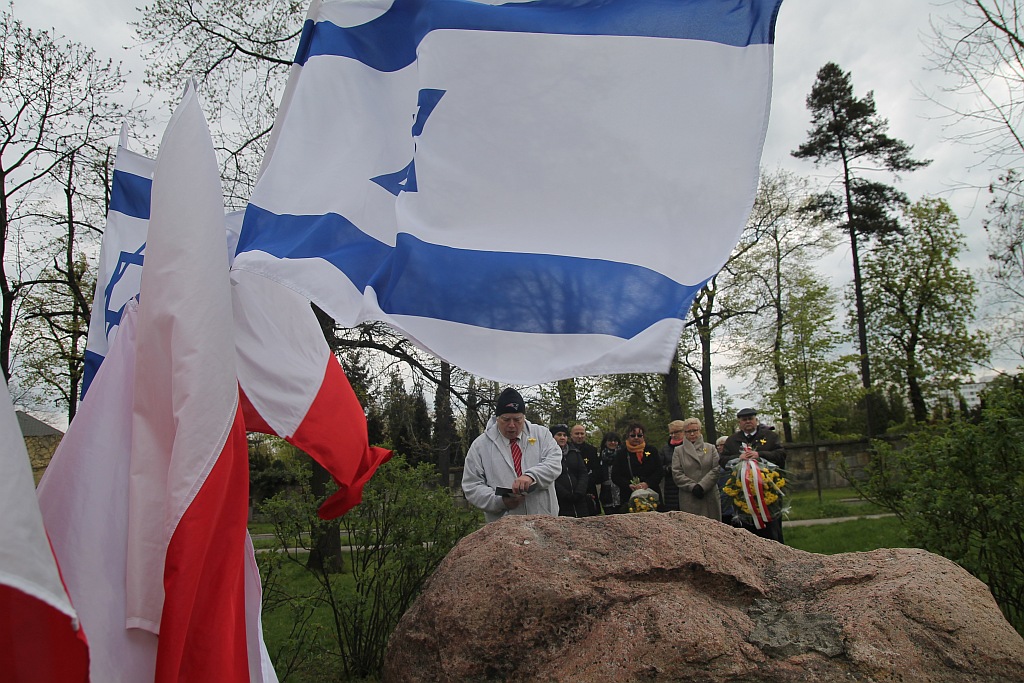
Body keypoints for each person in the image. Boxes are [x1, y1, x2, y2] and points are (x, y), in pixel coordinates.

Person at [462, 388, 562, 523]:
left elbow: (554, 463)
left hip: (544, 520)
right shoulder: (480, 446)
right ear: (497, 418)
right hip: (504, 525)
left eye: (517, 420)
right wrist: (500, 501)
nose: (512, 425)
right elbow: (472, 486)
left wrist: (531, 476)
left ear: (524, 417)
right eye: (506, 419)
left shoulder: (542, 435)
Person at [721, 408, 786, 542]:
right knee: (746, 532)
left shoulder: (770, 437)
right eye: (744, 420)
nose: (748, 422)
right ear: (739, 423)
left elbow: (781, 455)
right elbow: (722, 460)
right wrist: (738, 458)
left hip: (768, 492)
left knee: (772, 530)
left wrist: (759, 455)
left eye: (750, 419)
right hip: (743, 495)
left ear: (756, 420)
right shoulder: (732, 440)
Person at [672, 418, 721, 521]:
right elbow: (677, 473)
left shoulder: (711, 448)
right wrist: (693, 487)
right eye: (688, 431)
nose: (692, 434)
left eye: (695, 430)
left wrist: (702, 486)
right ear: (684, 433)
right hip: (689, 496)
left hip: (709, 495)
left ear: (700, 430)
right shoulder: (678, 451)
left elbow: (716, 469)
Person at [611, 421, 662, 512]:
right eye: (633, 435)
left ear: (643, 436)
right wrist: (628, 485)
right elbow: (615, 475)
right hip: (629, 497)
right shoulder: (621, 454)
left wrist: (647, 483)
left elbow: (659, 471)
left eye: (639, 435)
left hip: (652, 494)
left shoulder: (652, 450)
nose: (636, 438)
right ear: (628, 436)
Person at [551, 424, 595, 517]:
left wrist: (580, 491)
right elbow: (550, 477)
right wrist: (564, 494)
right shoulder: (548, 454)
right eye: (559, 435)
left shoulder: (574, 452)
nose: (562, 438)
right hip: (560, 500)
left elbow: (583, 473)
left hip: (580, 500)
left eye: (564, 435)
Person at [570, 424, 601, 513]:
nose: (580, 436)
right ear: (571, 435)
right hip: (571, 491)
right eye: (577, 434)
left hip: (589, 490)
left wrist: (583, 485)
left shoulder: (592, 450)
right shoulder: (566, 450)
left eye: (582, 434)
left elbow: (597, 472)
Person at [659, 420, 686, 511]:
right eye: (671, 433)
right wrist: (669, 468)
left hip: (687, 486)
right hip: (671, 488)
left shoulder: (690, 447)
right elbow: (659, 468)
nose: (673, 435)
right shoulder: (665, 449)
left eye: (676, 432)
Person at [598, 432, 621, 513]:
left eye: (615, 441)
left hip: (622, 494)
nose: (613, 443)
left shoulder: (623, 456)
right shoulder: (600, 458)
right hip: (606, 495)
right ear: (605, 442)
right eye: (610, 441)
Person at [715, 435, 734, 526]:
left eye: (721, 445)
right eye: (717, 445)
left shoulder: (733, 458)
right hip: (720, 494)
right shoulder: (715, 458)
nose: (719, 447)